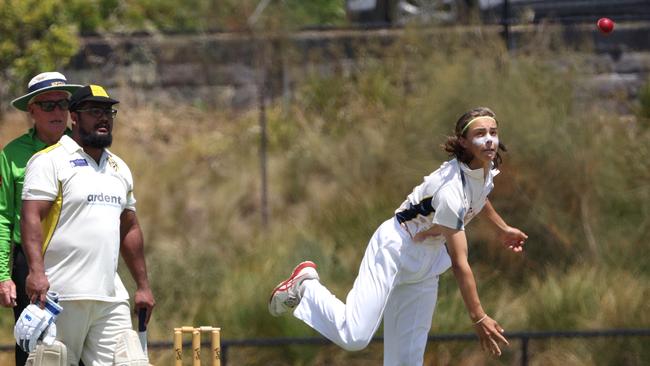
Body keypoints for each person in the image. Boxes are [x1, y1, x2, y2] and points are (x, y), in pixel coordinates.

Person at [269, 107, 528, 365]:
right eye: (480, 133)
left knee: (406, 362)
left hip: (427, 261)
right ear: (463, 141)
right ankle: (305, 286)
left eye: (493, 132)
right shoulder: (451, 190)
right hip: (396, 248)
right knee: (354, 336)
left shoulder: (484, 167)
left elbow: (478, 197)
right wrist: (479, 317)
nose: (489, 140)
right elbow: (461, 263)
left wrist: (502, 229)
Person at [19, 84, 155, 365]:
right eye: (94, 111)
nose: (104, 118)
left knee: (131, 362)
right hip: (60, 295)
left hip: (110, 295)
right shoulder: (49, 161)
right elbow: (31, 216)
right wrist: (36, 272)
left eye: (108, 112)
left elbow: (129, 227)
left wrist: (143, 285)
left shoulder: (120, 168)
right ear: (74, 117)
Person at [0, 71, 81, 365]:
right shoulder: (12, 154)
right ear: (32, 111)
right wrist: (3, 276)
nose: (57, 112)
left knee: (80, 345)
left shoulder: (86, 149)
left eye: (62, 104)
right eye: (47, 106)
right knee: (34, 347)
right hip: (30, 263)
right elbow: (3, 217)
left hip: (76, 259)